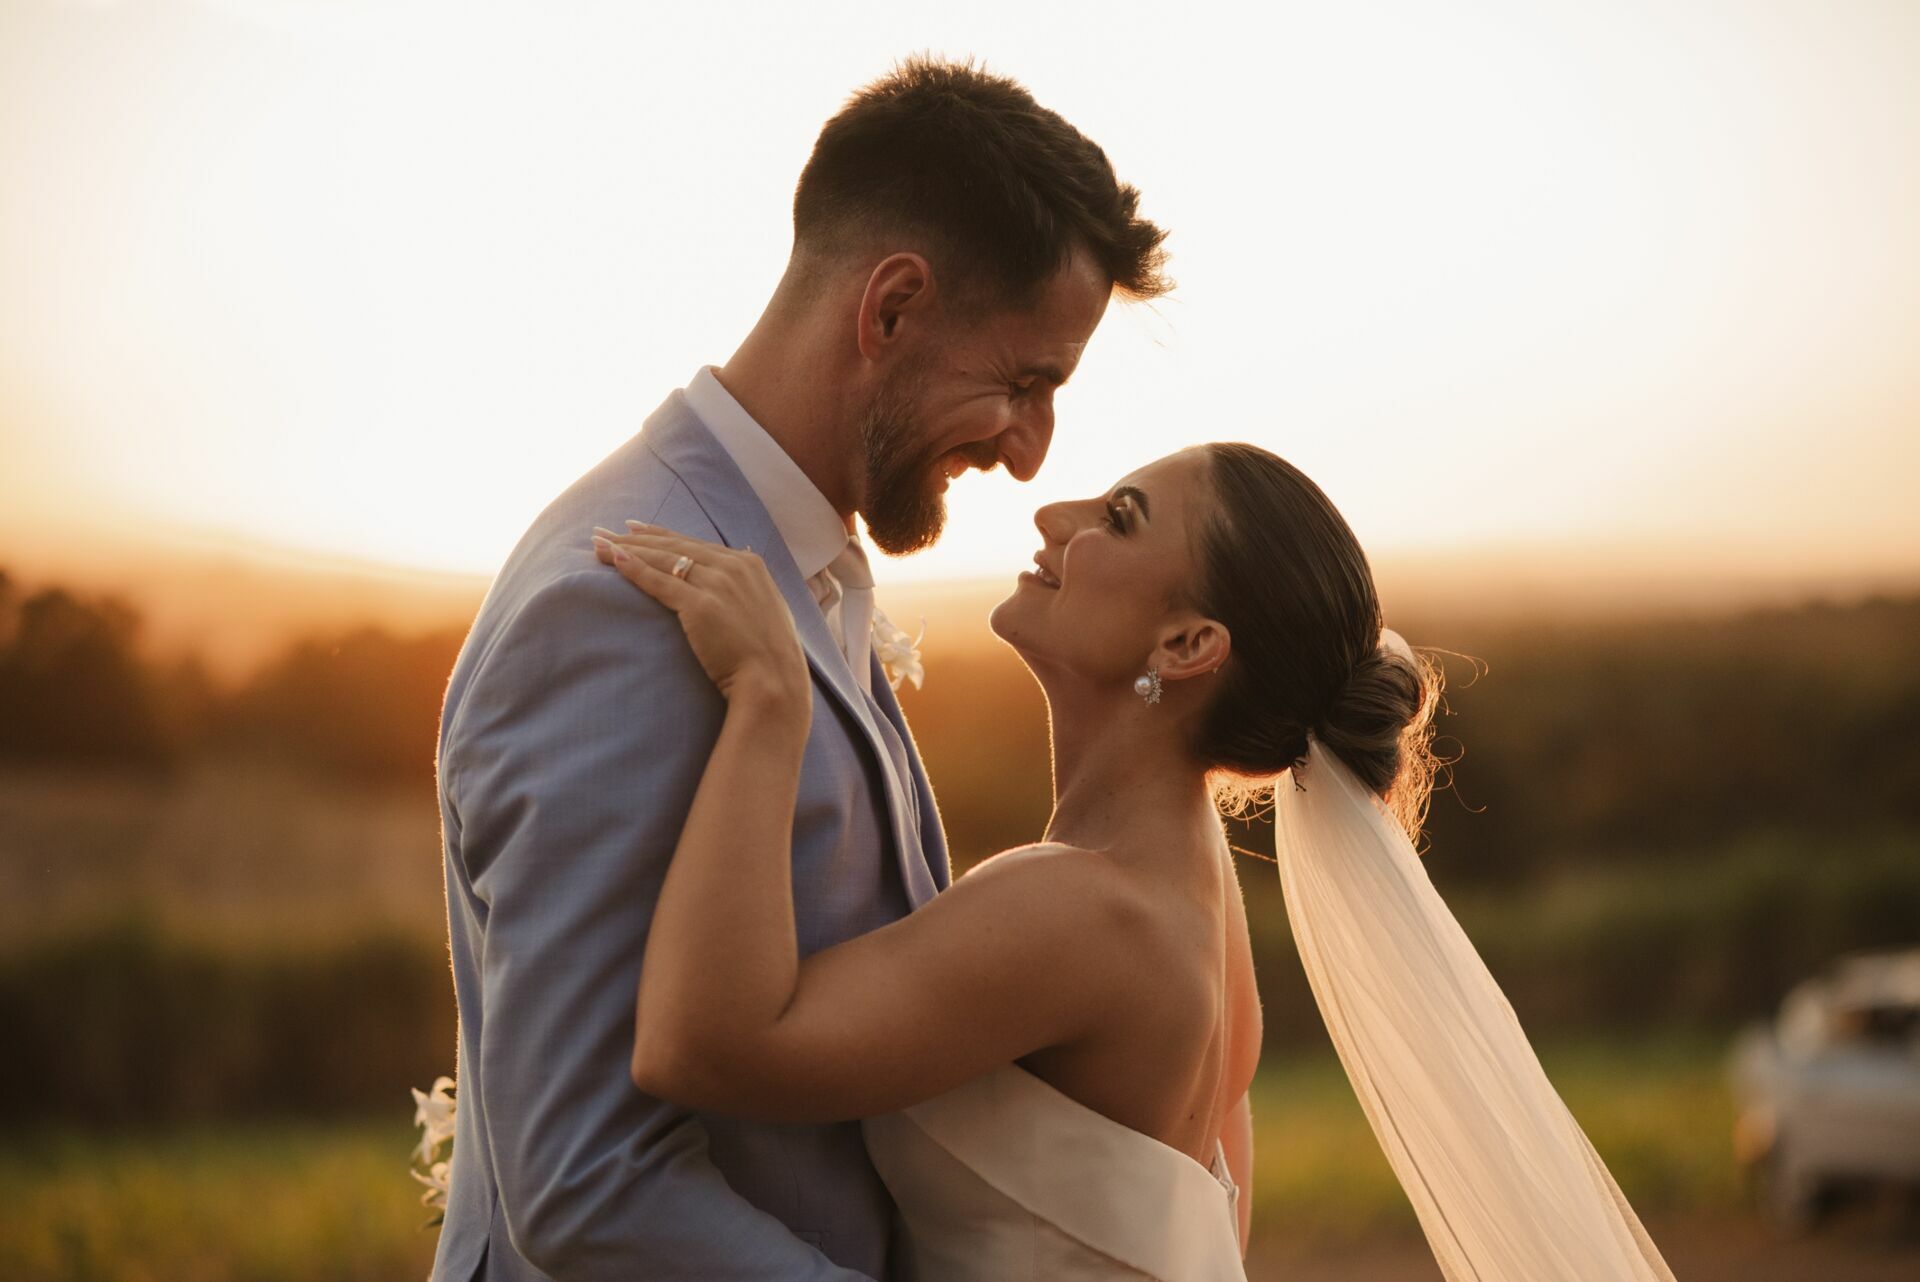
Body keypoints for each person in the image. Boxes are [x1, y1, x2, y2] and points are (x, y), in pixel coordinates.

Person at [595, 441, 1678, 1281]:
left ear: (1187, 646)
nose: (1053, 517)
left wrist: (769, 701)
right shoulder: (1195, 905)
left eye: (1117, 518)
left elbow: (704, 1048)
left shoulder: (1082, 911)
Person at [430, 57, 1168, 1282]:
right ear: (889, 310)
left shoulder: (804, 563)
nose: (1033, 455)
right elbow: (581, 1183)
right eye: (1024, 381)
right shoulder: (611, 611)